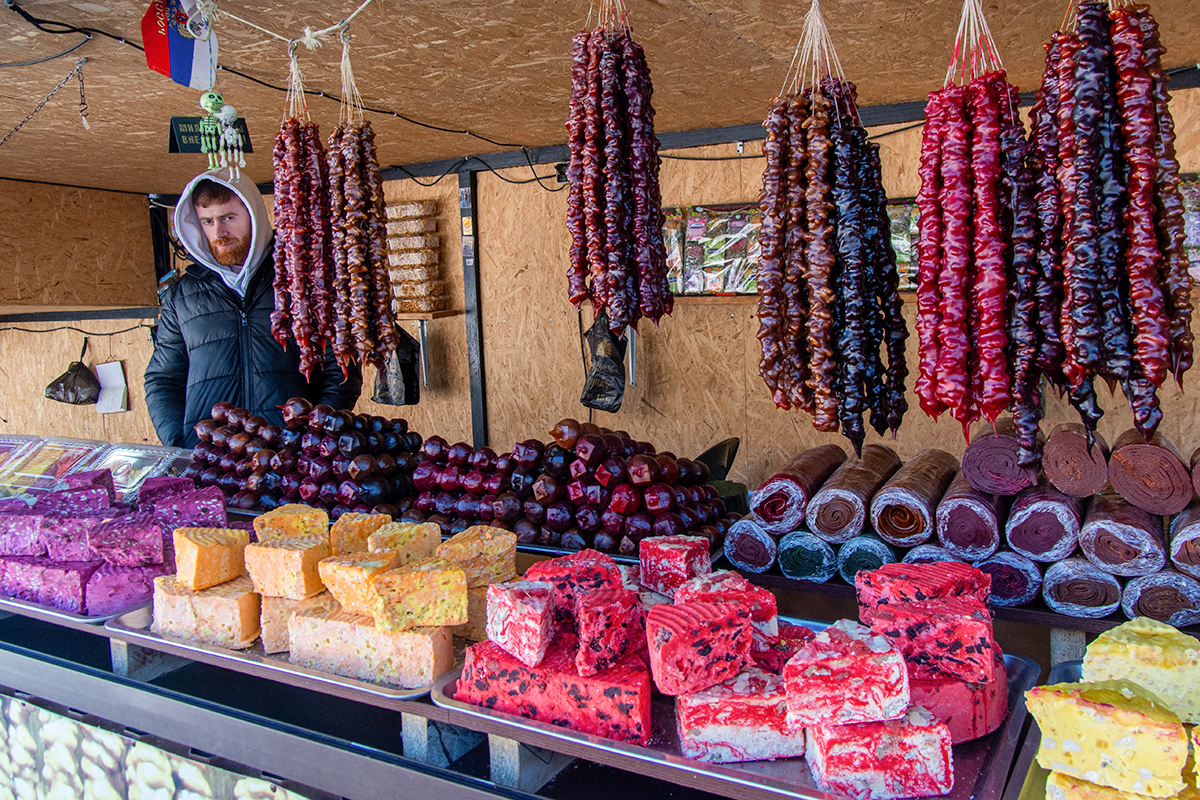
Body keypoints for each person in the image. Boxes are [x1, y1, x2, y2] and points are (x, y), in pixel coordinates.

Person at [145, 168, 362, 448]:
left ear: (254, 215)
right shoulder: (183, 295)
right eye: (207, 221)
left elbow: (341, 367)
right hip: (212, 459)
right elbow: (163, 377)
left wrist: (315, 437)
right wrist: (178, 440)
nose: (219, 232)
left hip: (290, 459)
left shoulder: (304, 281)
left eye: (228, 218)